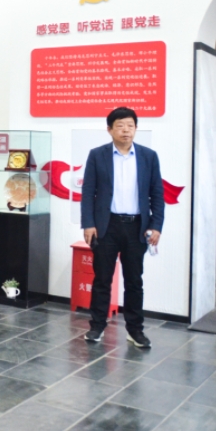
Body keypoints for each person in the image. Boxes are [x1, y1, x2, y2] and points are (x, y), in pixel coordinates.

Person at [81, 107, 164, 348]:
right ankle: (97, 326)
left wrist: (156, 225)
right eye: (120, 125)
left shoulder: (149, 156)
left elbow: (157, 194)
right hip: (106, 226)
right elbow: (88, 192)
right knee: (102, 279)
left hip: (137, 227)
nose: (126, 130)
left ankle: (135, 330)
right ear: (110, 129)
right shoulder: (97, 155)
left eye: (130, 125)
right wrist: (88, 224)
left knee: (134, 281)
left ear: (136, 128)